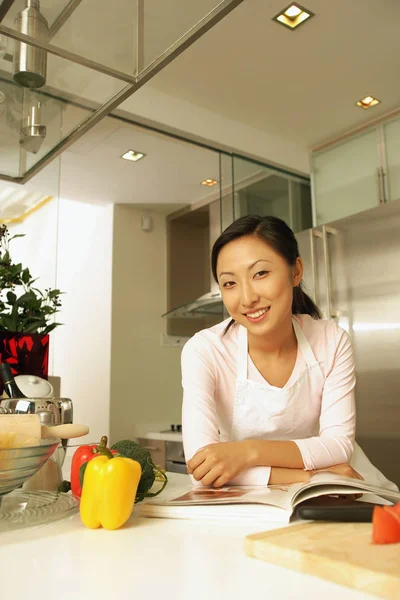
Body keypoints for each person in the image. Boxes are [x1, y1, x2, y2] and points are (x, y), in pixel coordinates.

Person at [181, 215, 398, 490]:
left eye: (260, 273)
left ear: (295, 271)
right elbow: (201, 469)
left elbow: (338, 446)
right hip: (283, 490)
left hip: (342, 486)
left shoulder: (331, 340)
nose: (247, 298)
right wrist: (311, 476)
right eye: (230, 283)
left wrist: (247, 453)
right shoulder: (205, 351)